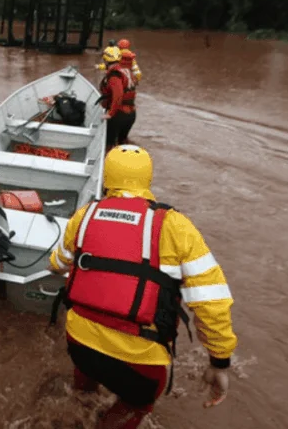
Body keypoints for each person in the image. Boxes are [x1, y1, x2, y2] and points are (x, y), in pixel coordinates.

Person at [48, 144, 238, 429]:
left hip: (80, 343)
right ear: (147, 179)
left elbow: (57, 263)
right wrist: (219, 362)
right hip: (139, 363)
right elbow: (212, 301)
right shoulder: (175, 226)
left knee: (84, 386)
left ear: (107, 177)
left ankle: (77, 408)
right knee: (133, 406)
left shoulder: (85, 215)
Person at [97, 47, 140, 149]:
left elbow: (118, 95)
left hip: (118, 115)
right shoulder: (126, 71)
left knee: (109, 146)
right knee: (122, 145)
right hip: (130, 114)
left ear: (106, 60)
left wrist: (110, 114)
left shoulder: (114, 76)